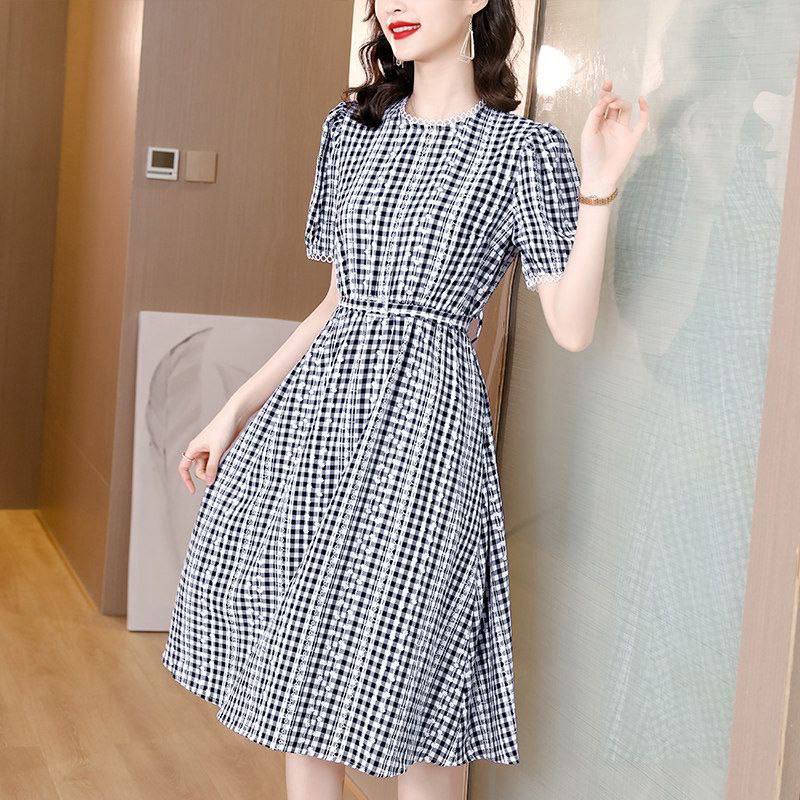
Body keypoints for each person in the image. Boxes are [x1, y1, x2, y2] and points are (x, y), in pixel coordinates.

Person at [162, 1, 647, 798]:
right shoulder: (351, 132)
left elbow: (571, 325)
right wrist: (235, 408)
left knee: (420, 681)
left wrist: (598, 186)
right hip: (317, 426)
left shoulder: (524, 152)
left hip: (428, 435)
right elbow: (337, 302)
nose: (395, 4)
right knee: (304, 667)